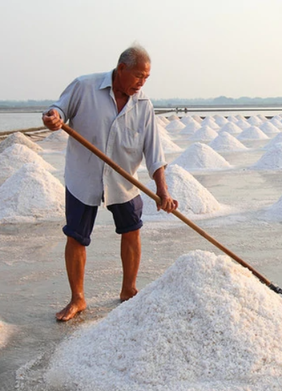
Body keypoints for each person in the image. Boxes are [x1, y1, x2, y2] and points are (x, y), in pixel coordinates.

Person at [42, 44, 178, 322]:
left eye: (146, 78)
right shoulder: (84, 87)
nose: (141, 83)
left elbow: (154, 152)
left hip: (124, 180)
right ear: (121, 69)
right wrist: (53, 118)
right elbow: (58, 110)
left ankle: (129, 289)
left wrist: (162, 190)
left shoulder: (143, 105)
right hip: (84, 176)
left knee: (132, 231)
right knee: (76, 237)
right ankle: (77, 298)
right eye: (138, 76)